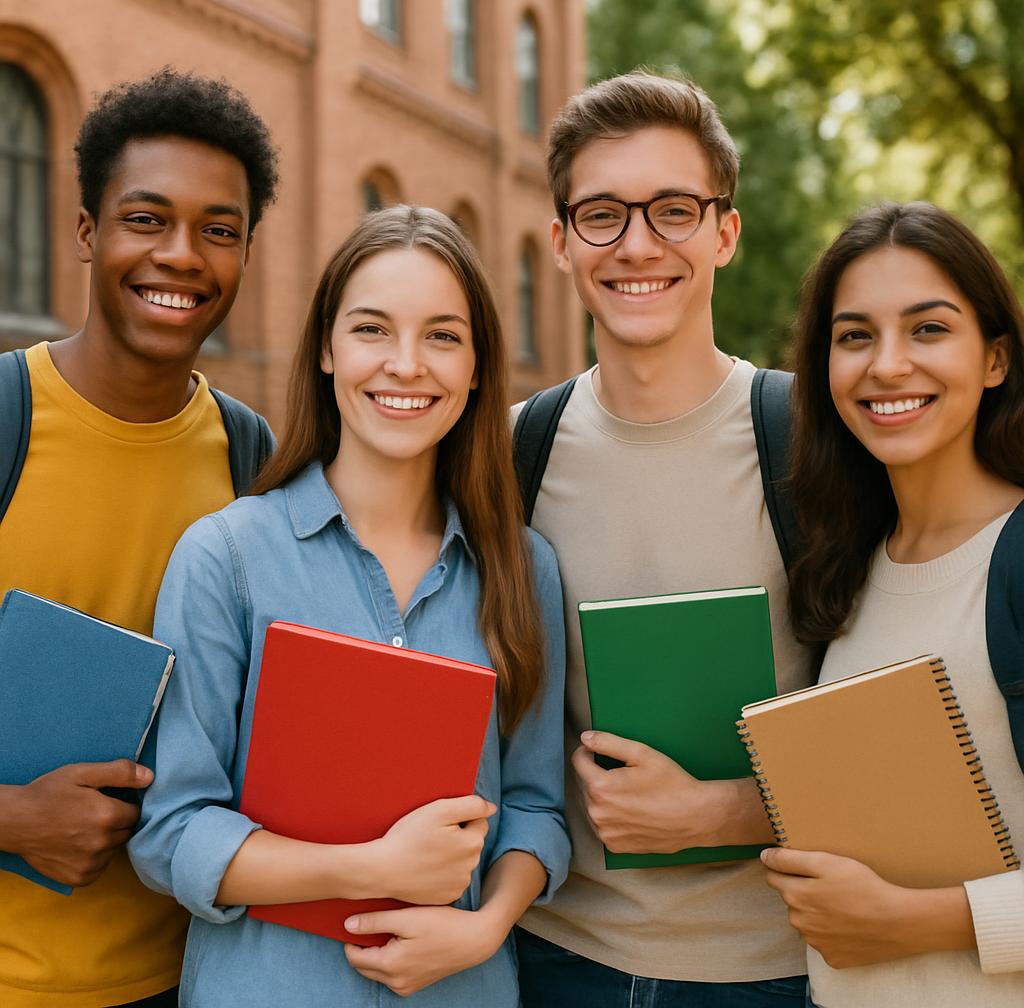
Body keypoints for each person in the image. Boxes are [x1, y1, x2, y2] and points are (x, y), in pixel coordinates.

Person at [128, 204, 569, 1007]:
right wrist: (370, 869)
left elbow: (536, 806)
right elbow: (173, 831)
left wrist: (488, 923)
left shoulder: (522, 567)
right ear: (327, 350)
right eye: (372, 330)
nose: (406, 365)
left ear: (476, 369)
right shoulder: (226, 559)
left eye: (442, 335)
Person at [513, 70, 817, 1007]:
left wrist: (725, 811)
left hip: (775, 972)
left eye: (673, 209)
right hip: (552, 959)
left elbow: (929, 725)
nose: (638, 243)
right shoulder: (509, 450)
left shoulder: (817, 443)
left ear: (726, 230)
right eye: (602, 213)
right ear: (561, 241)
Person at [0, 69, 277, 1007]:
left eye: (219, 230)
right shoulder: (4, 421)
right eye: (147, 219)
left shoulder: (253, 458)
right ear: (87, 231)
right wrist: (8, 819)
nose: (183, 256)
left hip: (188, 977)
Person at [762, 200, 1024, 1007]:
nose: (887, 365)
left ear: (995, 360)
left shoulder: (1014, 557)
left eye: (929, 329)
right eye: (855, 336)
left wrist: (919, 920)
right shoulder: (843, 568)